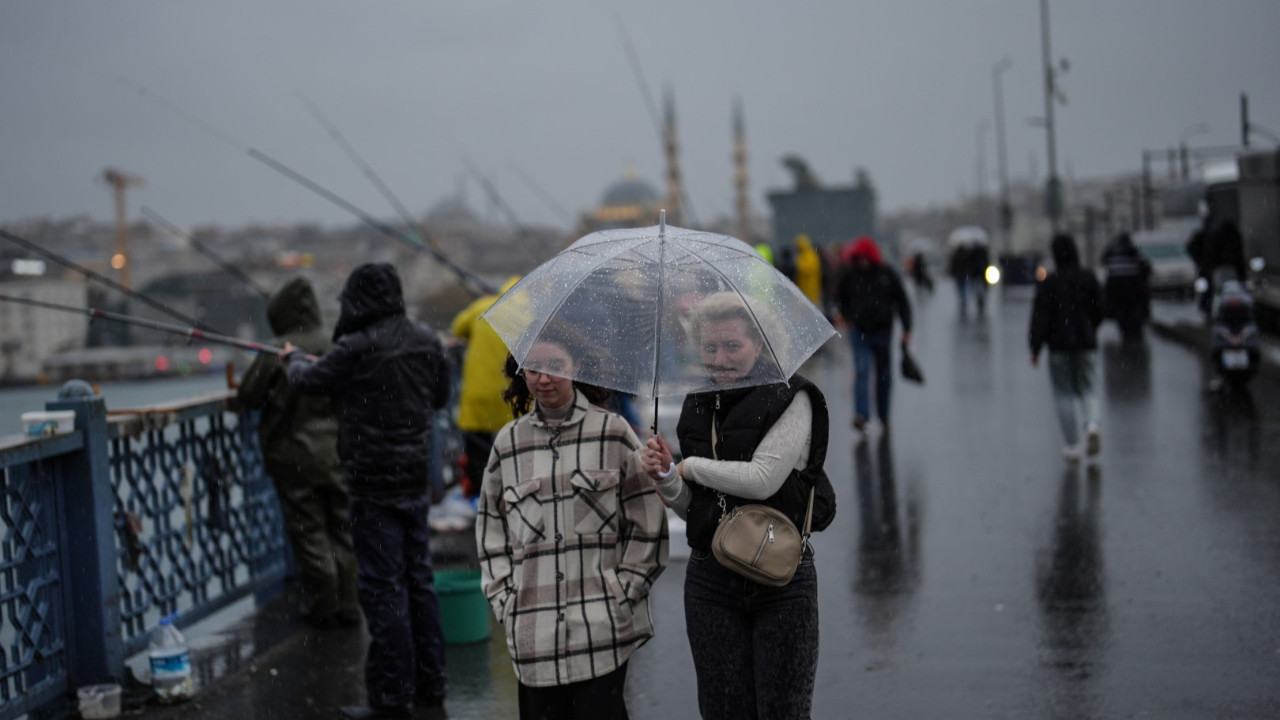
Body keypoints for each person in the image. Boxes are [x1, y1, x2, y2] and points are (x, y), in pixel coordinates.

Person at [640, 291, 834, 720]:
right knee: (723, 710)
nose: (720, 358)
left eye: (732, 346)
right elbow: (694, 509)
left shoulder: (793, 396)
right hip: (712, 580)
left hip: (781, 577)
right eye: (709, 347)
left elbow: (763, 480)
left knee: (782, 711)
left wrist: (689, 466)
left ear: (759, 345)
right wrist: (667, 477)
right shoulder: (697, 404)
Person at [283, 262, 452, 720]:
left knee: (382, 588)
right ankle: (431, 685)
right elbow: (438, 398)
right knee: (419, 581)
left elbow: (308, 383)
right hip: (415, 477)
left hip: (371, 482)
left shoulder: (355, 346)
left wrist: (293, 358)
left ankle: (390, 696)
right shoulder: (425, 340)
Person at [476, 320, 668, 720]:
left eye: (555, 366)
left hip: (603, 631)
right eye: (533, 368)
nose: (544, 378)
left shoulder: (612, 433)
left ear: (576, 365)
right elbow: (490, 529)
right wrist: (505, 600)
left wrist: (625, 591)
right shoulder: (507, 444)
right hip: (532, 638)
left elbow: (647, 520)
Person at [236, 277, 359, 629]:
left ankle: (324, 604)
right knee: (343, 527)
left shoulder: (278, 350)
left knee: (309, 531)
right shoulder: (336, 343)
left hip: (294, 457)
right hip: (337, 452)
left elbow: (249, 395)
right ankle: (349, 601)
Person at [1030, 233, 1105, 462]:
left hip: (1058, 347)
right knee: (1088, 388)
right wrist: (1091, 327)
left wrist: (1035, 348)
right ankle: (1091, 424)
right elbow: (1101, 308)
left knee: (1063, 394)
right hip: (1086, 343)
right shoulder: (1087, 277)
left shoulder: (1050, 283)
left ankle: (1072, 446)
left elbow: (1040, 317)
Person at [450, 275, 521, 497]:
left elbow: (457, 327)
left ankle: (481, 495)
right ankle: (510, 491)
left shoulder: (484, 307)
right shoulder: (531, 315)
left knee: (478, 449)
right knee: (513, 449)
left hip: (479, 393)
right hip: (513, 395)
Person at [834, 236, 913, 433]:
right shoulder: (850, 275)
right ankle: (862, 415)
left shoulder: (886, 274)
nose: (862, 262)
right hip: (860, 331)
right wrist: (845, 316)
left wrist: (907, 329)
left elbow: (902, 302)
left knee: (884, 376)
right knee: (862, 372)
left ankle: (883, 416)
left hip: (883, 333)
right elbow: (840, 298)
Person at [1101, 232, 1152, 342]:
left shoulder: (1111, 251)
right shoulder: (1133, 251)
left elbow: (1104, 261)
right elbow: (1145, 266)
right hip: (1132, 287)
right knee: (1134, 310)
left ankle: (1126, 332)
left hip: (1115, 288)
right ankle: (1135, 332)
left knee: (1120, 310)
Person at [793, 234, 824, 309]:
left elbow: (808, 269)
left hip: (810, 288)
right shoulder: (804, 255)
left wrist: (797, 264)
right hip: (804, 287)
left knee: (809, 308)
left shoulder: (810, 255)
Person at [949, 242, 973, 316]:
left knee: (960, 288)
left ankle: (962, 299)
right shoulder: (967, 254)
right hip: (965, 274)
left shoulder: (956, 255)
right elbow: (969, 264)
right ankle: (964, 299)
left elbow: (952, 265)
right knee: (965, 287)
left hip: (958, 274)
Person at [967, 241, 991, 315]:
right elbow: (987, 261)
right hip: (983, 272)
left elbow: (970, 262)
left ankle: (979, 299)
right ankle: (981, 299)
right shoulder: (984, 251)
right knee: (983, 287)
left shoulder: (972, 251)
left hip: (976, 273)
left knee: (977, 287)